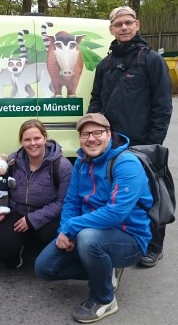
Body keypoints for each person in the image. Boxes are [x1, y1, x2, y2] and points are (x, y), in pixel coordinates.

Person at [35, 113, 153, 323]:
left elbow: (116, 212)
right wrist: (64, 231)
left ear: (109, 134)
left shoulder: (126, 163)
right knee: (44, 268)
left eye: (97, 132)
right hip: (89, 232)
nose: (91, 139)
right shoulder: (81, 162)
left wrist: (72, 228)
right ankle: (105, 272)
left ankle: (104, 299)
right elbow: (71, 202)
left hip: (130, 237)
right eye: (85, 134)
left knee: (89, 239)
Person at [88, 6, 172, 268]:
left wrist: (153, 143)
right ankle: (127, 238)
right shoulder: (105, 65)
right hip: (111, 145)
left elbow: (162, 105)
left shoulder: (151, 60)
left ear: (137, 25)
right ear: (111, 29)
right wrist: (93, 130)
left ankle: (154, 247)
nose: (123, 27)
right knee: (118, 195)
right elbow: (96, 101)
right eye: (118, 24)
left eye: (128, 23)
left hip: (143, 145)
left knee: (150, 196)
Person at [0, 119, 73, 269]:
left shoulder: (62, 165)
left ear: (45, 138)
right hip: (17, 211)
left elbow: (63, 202)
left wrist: (33, 219)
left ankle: (42, 255)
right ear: (21, 142)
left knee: (53, 234)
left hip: (46, 216)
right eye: (27, 139)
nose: (32, 143)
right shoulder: (12, 161)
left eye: (37, 138)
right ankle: (17, 250)